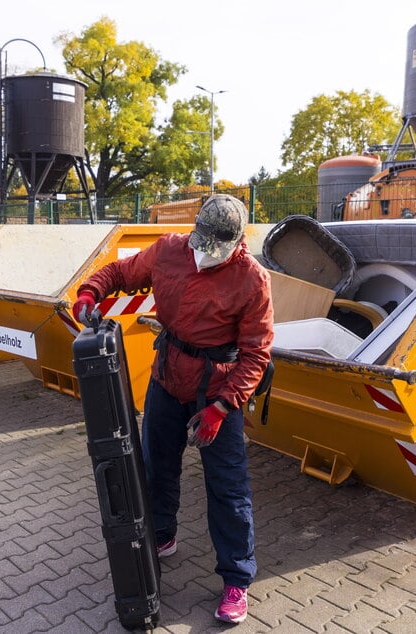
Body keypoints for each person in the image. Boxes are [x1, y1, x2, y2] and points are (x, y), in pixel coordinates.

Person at [72, 194, 274, 624]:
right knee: (156, 466)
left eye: (216, 250)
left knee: (228, 487)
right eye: (201, 244)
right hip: (167, 381)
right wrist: (90, 291)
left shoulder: (252, 280)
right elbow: (119, 272)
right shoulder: (167, 251)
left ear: (237, 243)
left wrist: (222, 407)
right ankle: (162, 534)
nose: (205, 255)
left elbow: (256, 354)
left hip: (217, 390)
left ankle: (237, 579)